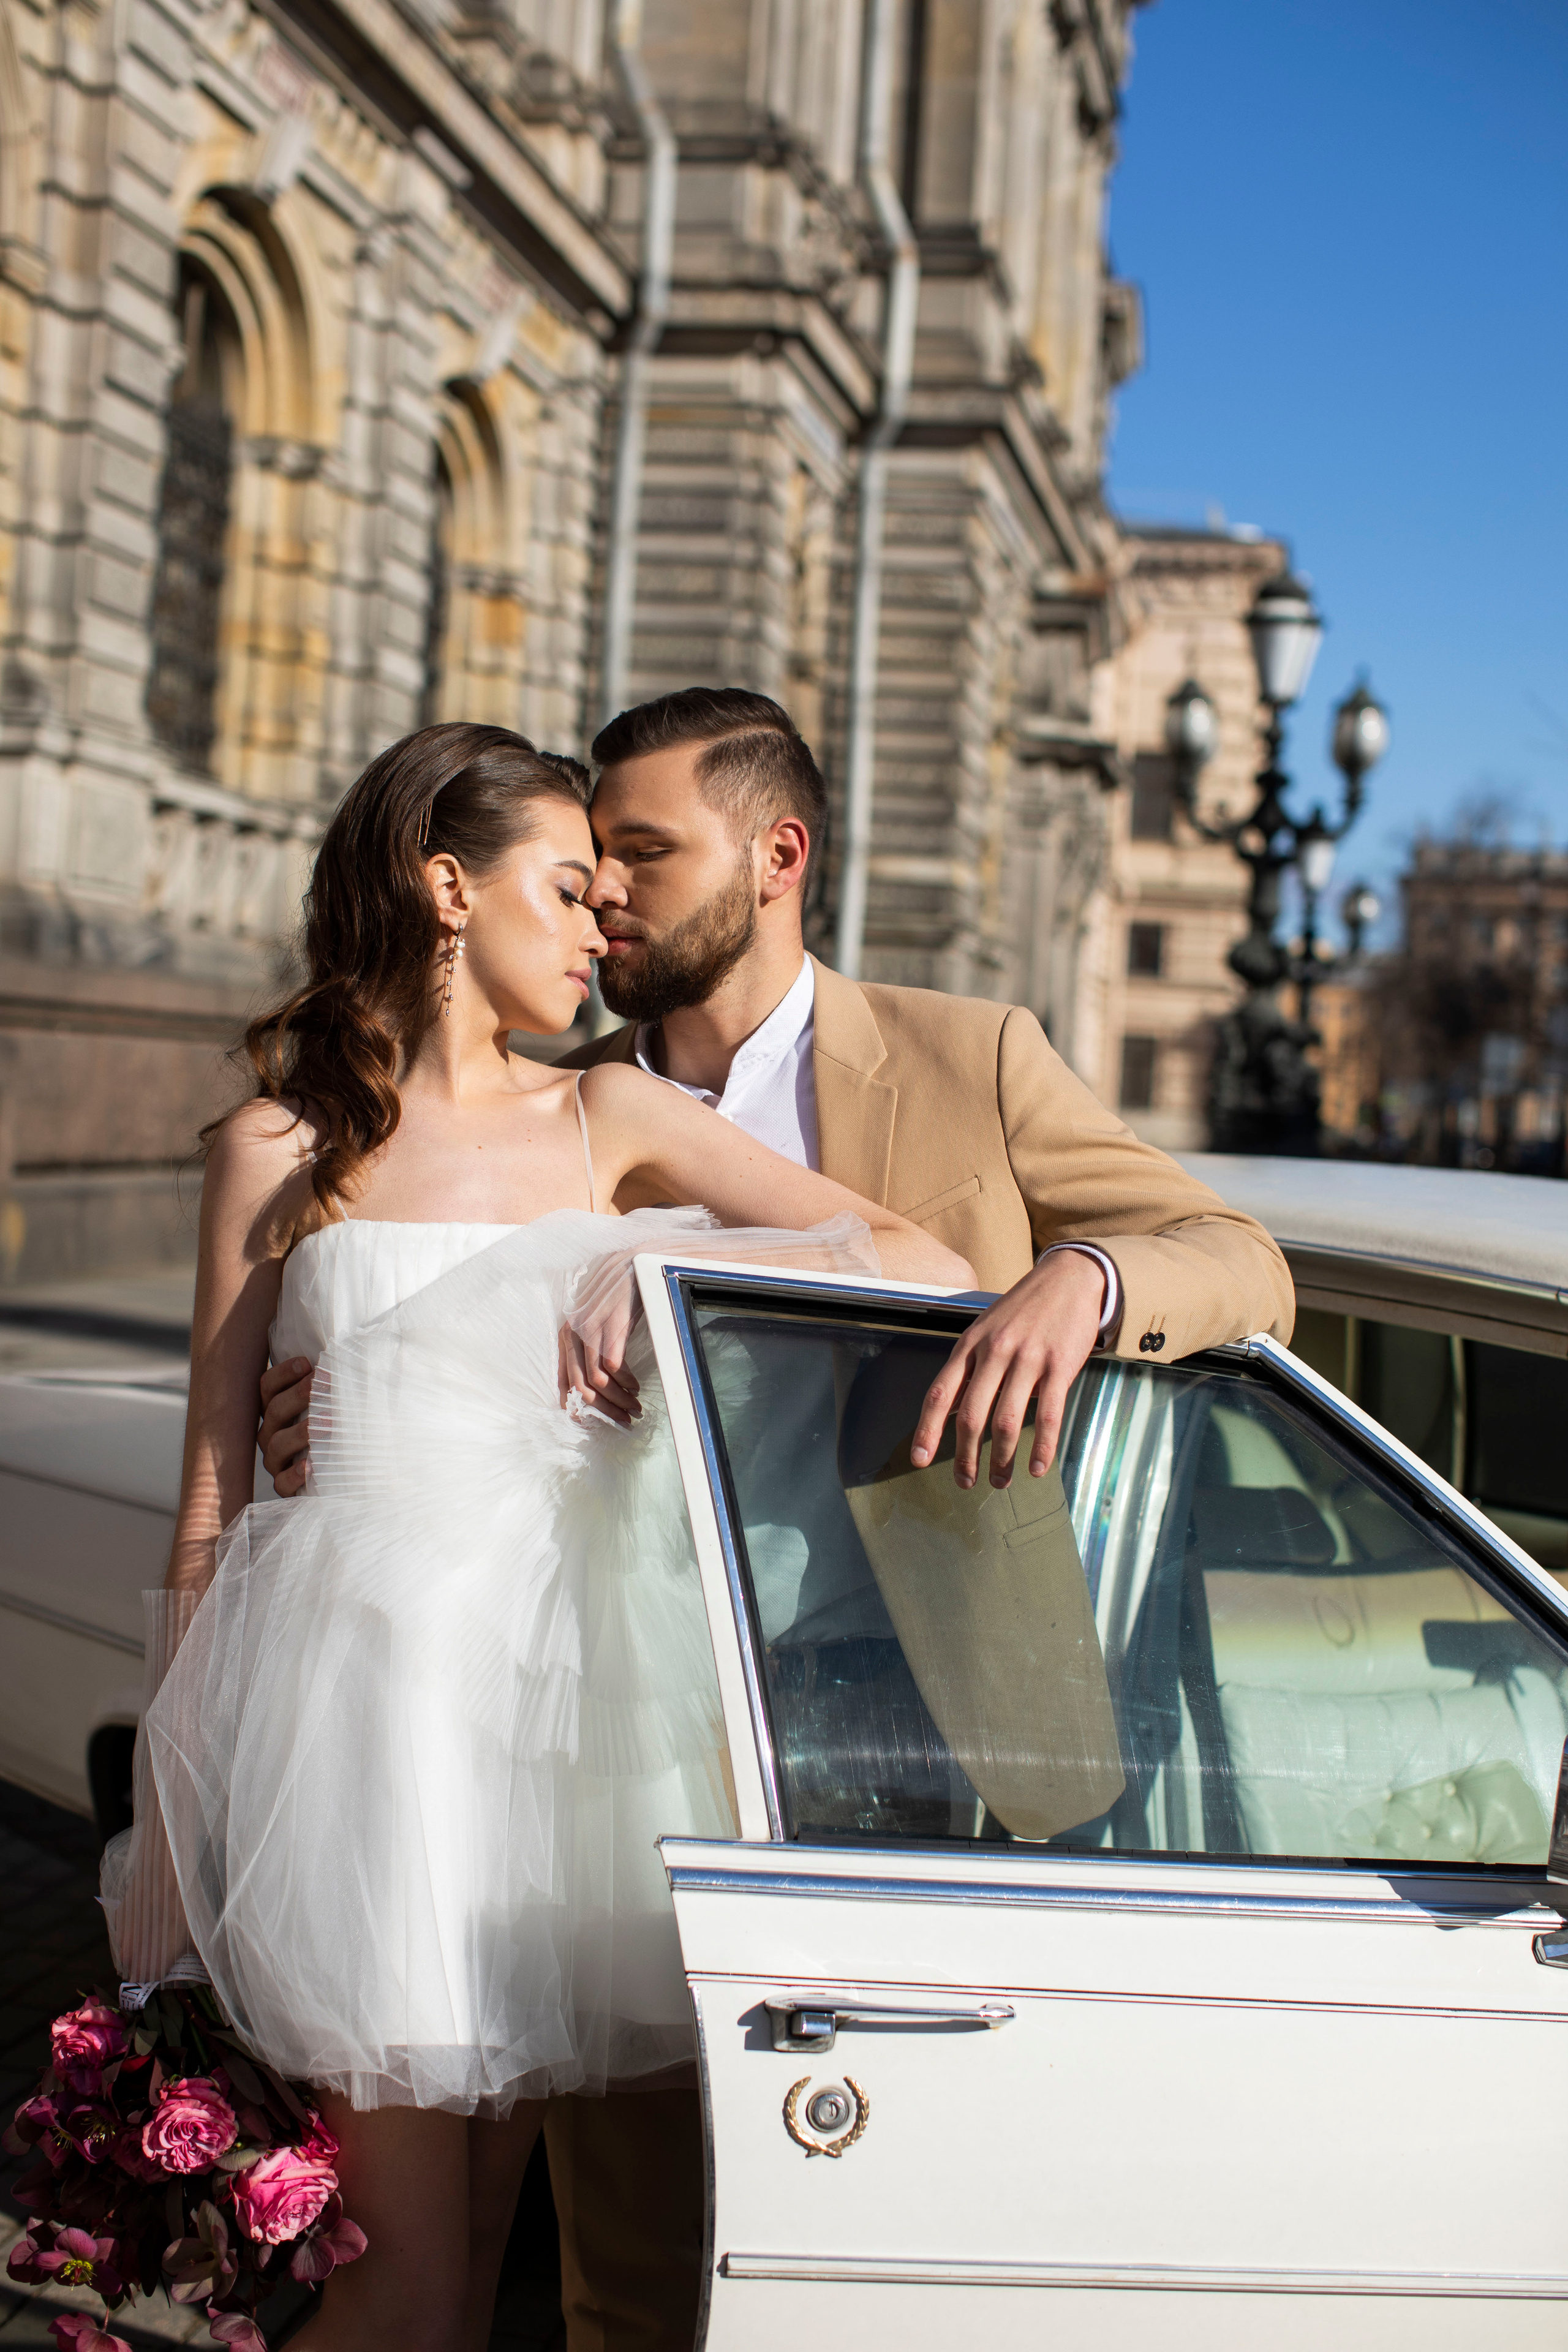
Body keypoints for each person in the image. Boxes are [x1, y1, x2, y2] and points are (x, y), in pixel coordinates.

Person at [257, 690, 1294, 2351]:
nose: (608, 894)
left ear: (776, 855)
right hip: (613, 1733)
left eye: (645, 853)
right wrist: (356, 1392)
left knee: (922, 2251)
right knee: (636, 2261)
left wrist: (1085, 1278)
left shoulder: (970, 1057)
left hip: (921, 1722)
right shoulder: (562, 1103)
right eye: (589, 864)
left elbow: (1235, 1258)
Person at [135, 722, 974, 2352]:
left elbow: (922, 1262)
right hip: (361, 1753)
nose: (605, 925)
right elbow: (211, 1500)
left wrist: (663, 1266)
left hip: (553, 1750)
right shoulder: (277, 1148)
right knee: (403, 2289)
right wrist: (160, 1869)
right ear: (448, 888)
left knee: (469, 2276)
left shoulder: (609, 1112)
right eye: (572, 887)